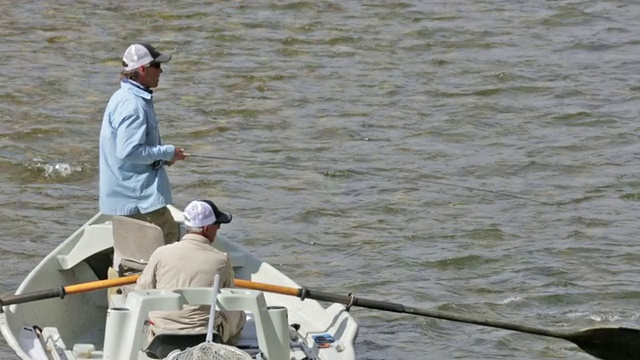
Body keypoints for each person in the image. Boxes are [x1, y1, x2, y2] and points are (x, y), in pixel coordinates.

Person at [99, 43, 187, 245]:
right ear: (142, 69)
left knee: (131, 254)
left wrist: (164, 158)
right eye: (157, 66)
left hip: (126, 198)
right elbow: (128, 151)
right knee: (168, 241)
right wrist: (166, 152)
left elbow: (133, 150)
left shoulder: (122, 97)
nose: (161, 71)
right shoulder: (133, 105)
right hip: (139, 200)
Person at [136, 200, 246, 345]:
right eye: (217, 225)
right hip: (203, 337)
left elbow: (142, 290)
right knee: (239, 313)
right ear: (207, 228)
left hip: (161, 336)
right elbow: (228, 299)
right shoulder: (222, 260)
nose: (218, 228)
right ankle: (225, 349)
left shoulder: (161, 253)